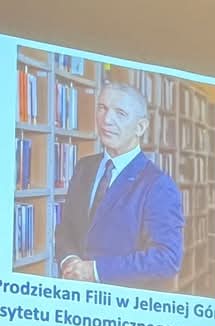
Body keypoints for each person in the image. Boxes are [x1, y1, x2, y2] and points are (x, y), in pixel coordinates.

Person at [54, 81, 184, 291]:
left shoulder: (158, 185)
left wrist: (94, 271)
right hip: (74, 295)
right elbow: (66, 228)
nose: (107, 120)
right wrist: (69, 261)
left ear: (140, 127)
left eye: (120, 113)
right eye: (102, 108)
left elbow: (166, 259)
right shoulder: (84, 168)